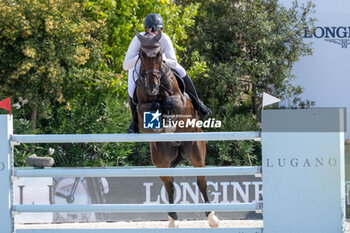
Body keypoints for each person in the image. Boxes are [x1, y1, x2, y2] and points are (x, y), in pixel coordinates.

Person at [123, 13, 211, 133]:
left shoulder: (164, 38)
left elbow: (173, 63)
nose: (155, 32)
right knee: (131, 88)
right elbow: (125, 65)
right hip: (141, 65)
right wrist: (141, 57)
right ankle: (134, 122)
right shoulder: (138, 39)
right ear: (146, 29)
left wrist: (160, 58)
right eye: (152, 29)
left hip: (161, 64)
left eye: (158, 29)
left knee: (181, 70)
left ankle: (197, 103)